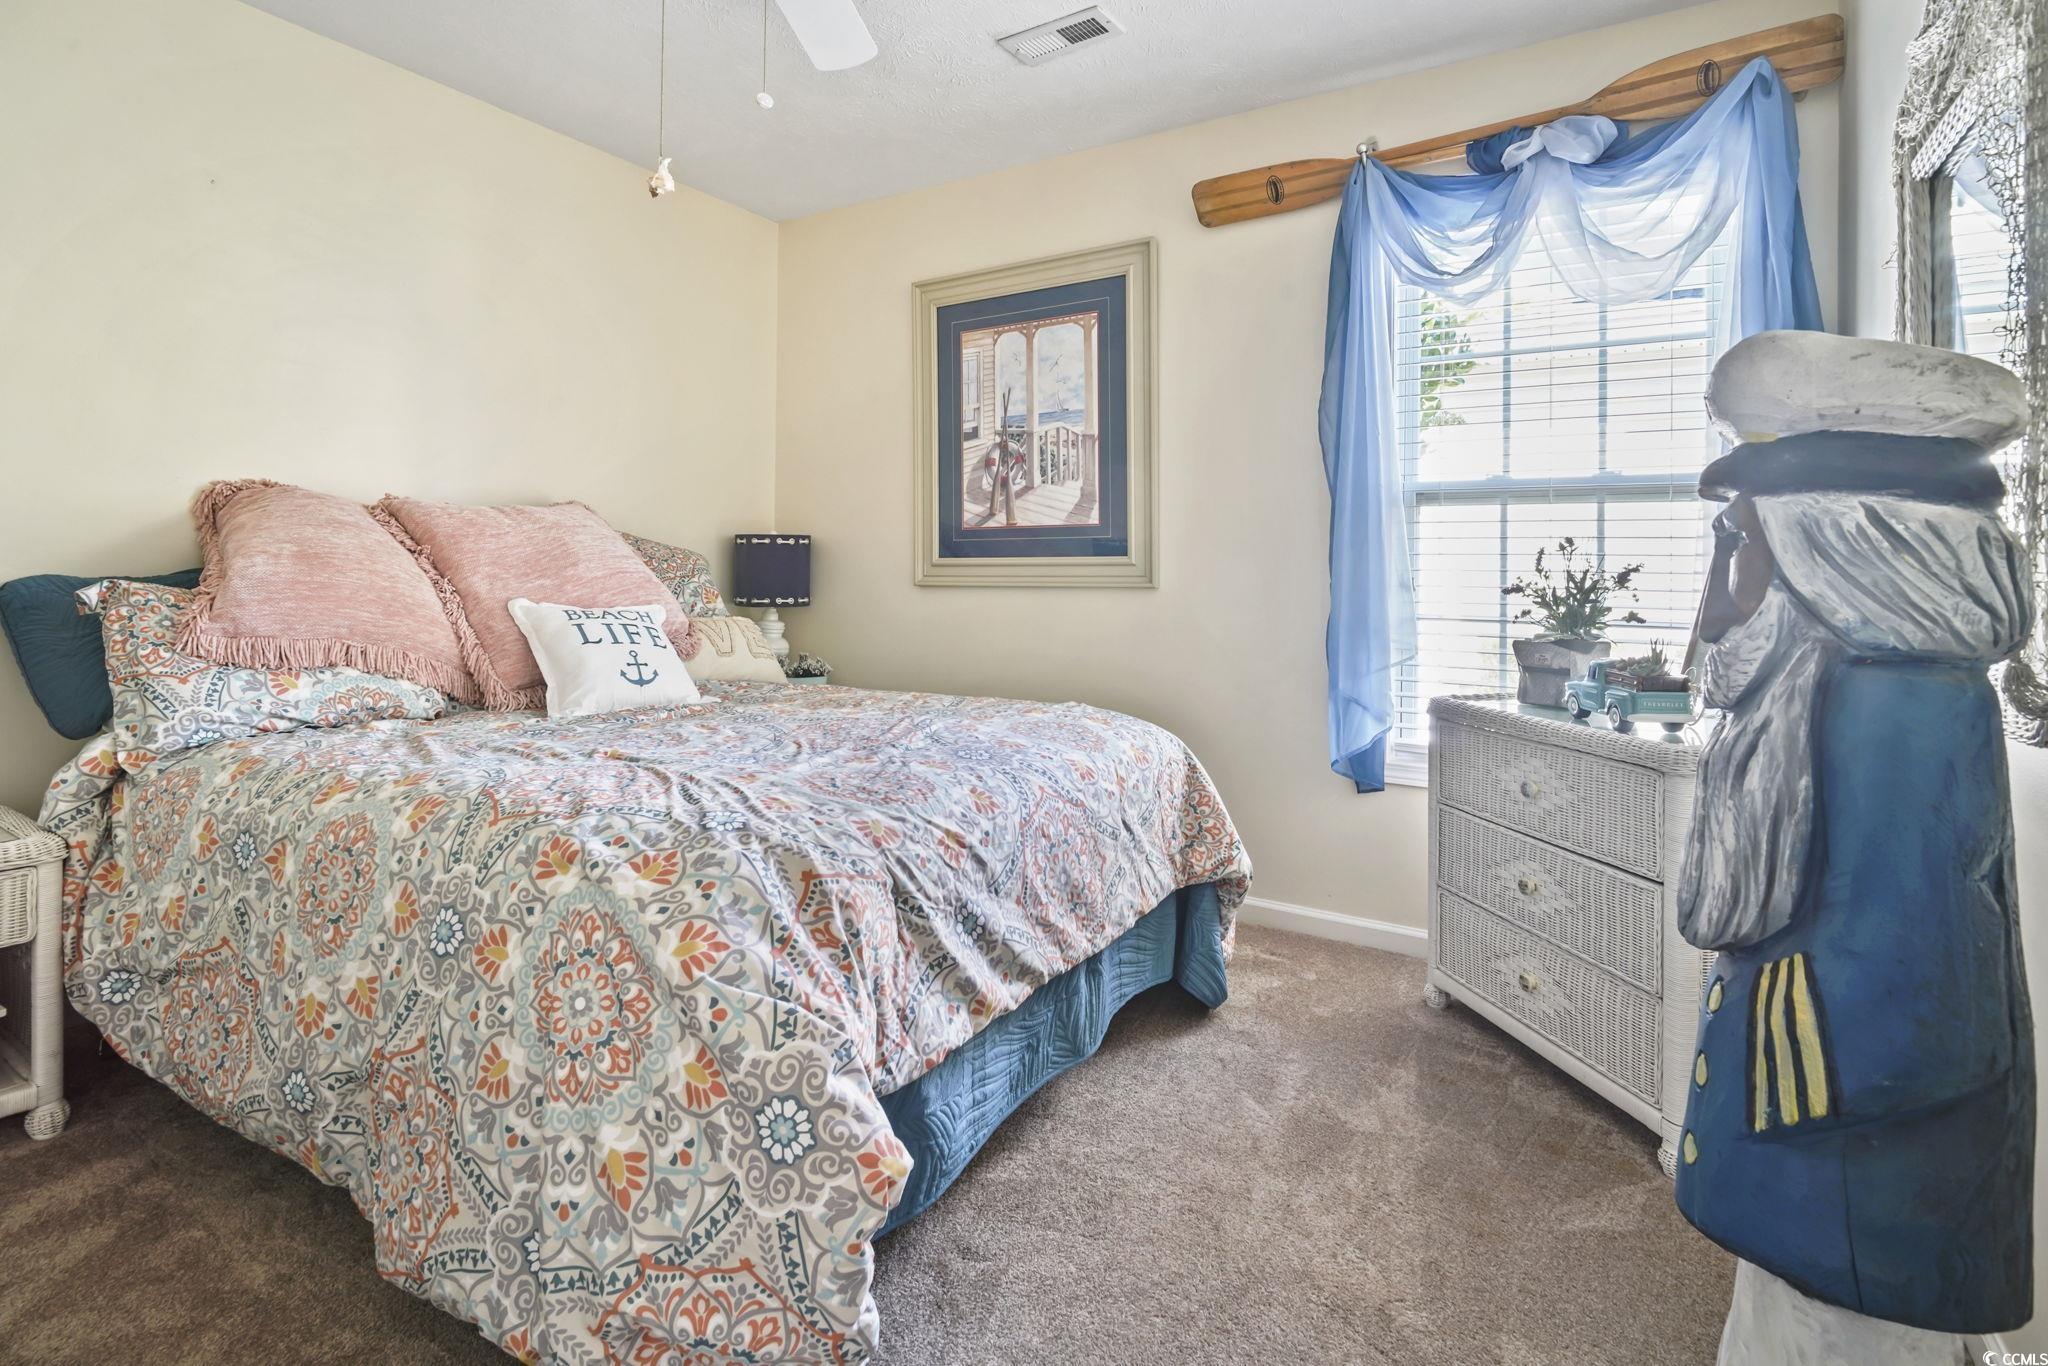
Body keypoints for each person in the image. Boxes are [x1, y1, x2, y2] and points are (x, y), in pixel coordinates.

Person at [1674, 331, 2035, 1363]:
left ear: (1837, 552)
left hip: (1857, 1174)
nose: (1714, 609)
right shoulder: (1833, 691)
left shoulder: (1895, 713)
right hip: (1833, 1164)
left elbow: (1915, 987)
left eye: (1739, 549)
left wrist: (1762, 1076)